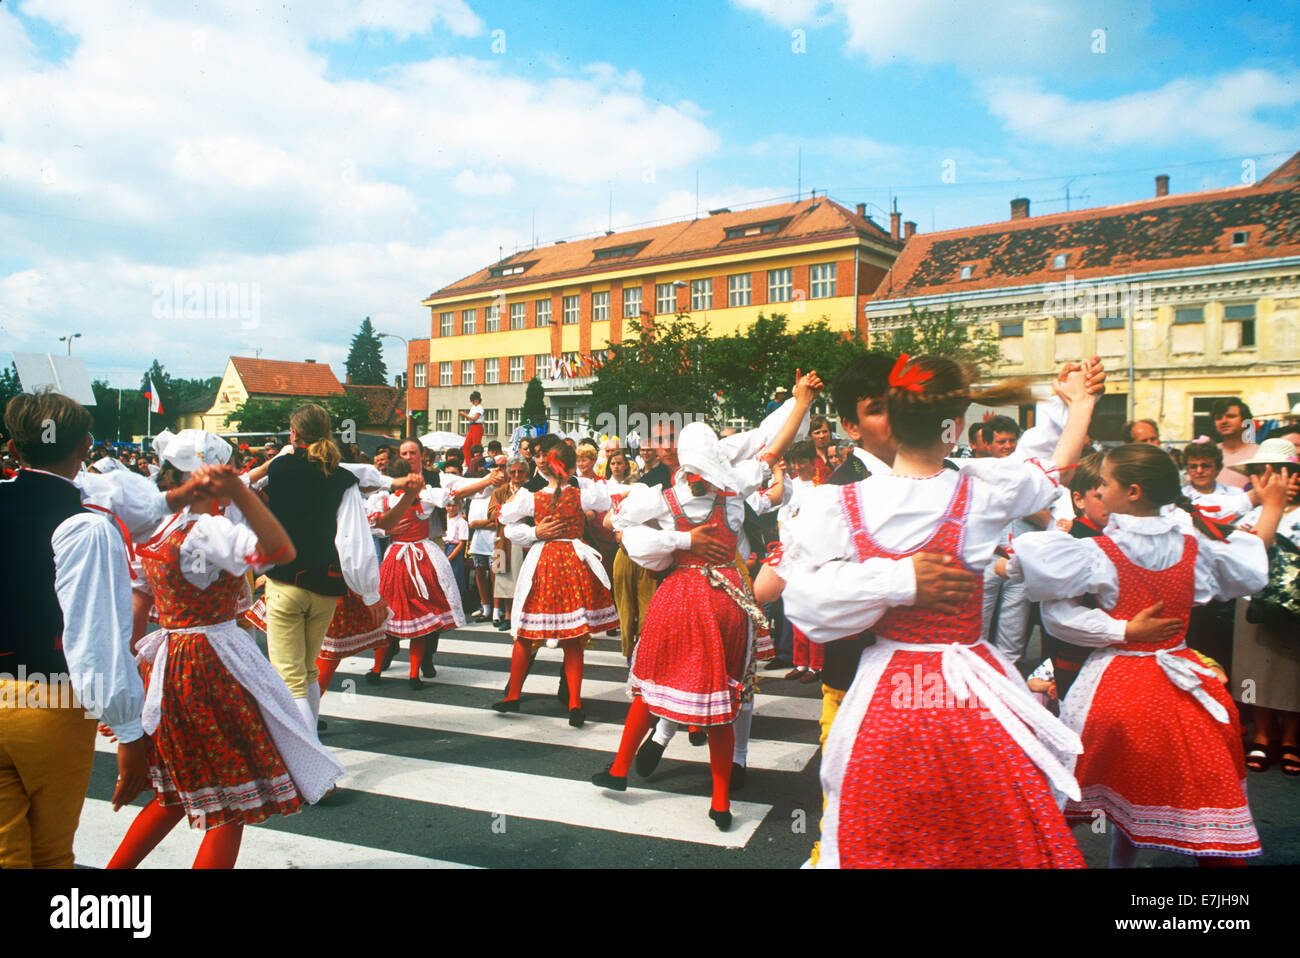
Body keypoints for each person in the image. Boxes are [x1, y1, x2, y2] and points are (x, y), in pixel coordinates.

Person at [767, 355, 1101, 867]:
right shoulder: (982, 488)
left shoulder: (841, 502)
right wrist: (1078, 404)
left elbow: (802, 603)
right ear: (958, 426)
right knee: (980, 824)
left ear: (892, 420)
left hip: (886, 686)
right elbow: (1054, 470)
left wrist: (894, 582)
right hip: (971, 683)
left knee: (885, 824)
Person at [1015, 443, 1275, 866]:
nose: (1098, 490)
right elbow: (1243, 573)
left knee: (1086, 794)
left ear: (1132, 492)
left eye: (1103, 482)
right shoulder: (1193, 544)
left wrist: (1121, 630)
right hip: (1182, 680)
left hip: (1118, 684)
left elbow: (1058, 618)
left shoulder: (1100, 551)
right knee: (1203, 792)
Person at [595, 374, 822, 830]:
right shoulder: (734, 489)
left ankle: (620, 768)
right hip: (727, 597)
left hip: (679, 597)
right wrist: (799, 404)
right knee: (723, 695)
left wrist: (678, 539)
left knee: (654, 683)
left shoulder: (663, 495)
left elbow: (618, 525)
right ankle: (720, 801)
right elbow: (767, 447)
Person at [109, 441, 345, 869]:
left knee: (179, 793)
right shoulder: (206, 531)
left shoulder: (156, 532)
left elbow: (136, 616)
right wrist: (241, 494)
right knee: (231, 798)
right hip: (212, 662)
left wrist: (135, 684)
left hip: (169, 659)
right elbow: (280, 553)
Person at [1, 392, 195, 869]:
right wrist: (129, 731)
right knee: (49, 851)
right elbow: (94, 642)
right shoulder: (86, 528)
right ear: (86, 446)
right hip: (46, 699)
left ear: (12, 447)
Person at [261, 405, 385, 735]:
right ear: (328, 433)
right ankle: (313, 747)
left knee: (290, 677)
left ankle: (309, 761)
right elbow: (353, 540)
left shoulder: (280, 467)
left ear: (293, 433)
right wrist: (370, 592)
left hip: (286, 580)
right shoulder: (342, 476)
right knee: (308, 673)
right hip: (326, 586)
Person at [496, 442, 617, 725]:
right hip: (573, 563)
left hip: (544, 561)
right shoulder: (581, 495)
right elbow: (604, 501)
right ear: (572, 468)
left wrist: (533, 532)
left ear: (545, 467)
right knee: (573, 638)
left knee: (526, 632)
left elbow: (505, 519)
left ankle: (513, 695)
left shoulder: (532, 497)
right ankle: (574, 703)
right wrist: (582, 480)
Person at [370, 458, 502, 686]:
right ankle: (413, 673)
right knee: (422, 617)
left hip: (397, 556)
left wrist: (387, 527)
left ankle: (378, 669)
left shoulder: (383, 500)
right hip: (421, 556)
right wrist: (486, 480)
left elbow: (373, 525)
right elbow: (455, 494)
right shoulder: (422, 498)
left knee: (390, 615)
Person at [1231, 440, 1300, 777]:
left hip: (1294, 606)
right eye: (1263, 472)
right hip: (1253, 601)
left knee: (1293, 672)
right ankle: (1261, 734)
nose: (1270, 478)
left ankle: (1290, 740)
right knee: (1252, 671)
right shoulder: (1248, 512)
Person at [488, 456, 531, 633]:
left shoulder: (531, 490)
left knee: (524, 578)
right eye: (512, 471)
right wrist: (507, 507)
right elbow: (491, 513)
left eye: (520, 471)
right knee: (503, 577)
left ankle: (524, 615)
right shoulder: (500, 491)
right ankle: (507, 615)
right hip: (502, 539)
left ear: (526, 472)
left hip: (526, 538)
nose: (516, 475)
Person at [1214, 397, 1258, 490]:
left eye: (1231, 416)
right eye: (1218, 418)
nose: (1224, 421)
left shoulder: (1259, 453)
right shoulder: (1209, 452)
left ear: (1244, 421)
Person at [461, 391, 485, 466]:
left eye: (474, 400)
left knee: (476, 447)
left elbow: (475, 418)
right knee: (466, 446)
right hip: (472, 427)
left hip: (477, 427)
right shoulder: (473, 407)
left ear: (478, 400)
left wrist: (464, 414)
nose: (473, 402)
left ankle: (478, 463)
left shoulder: (480, 408)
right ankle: (468, 463)